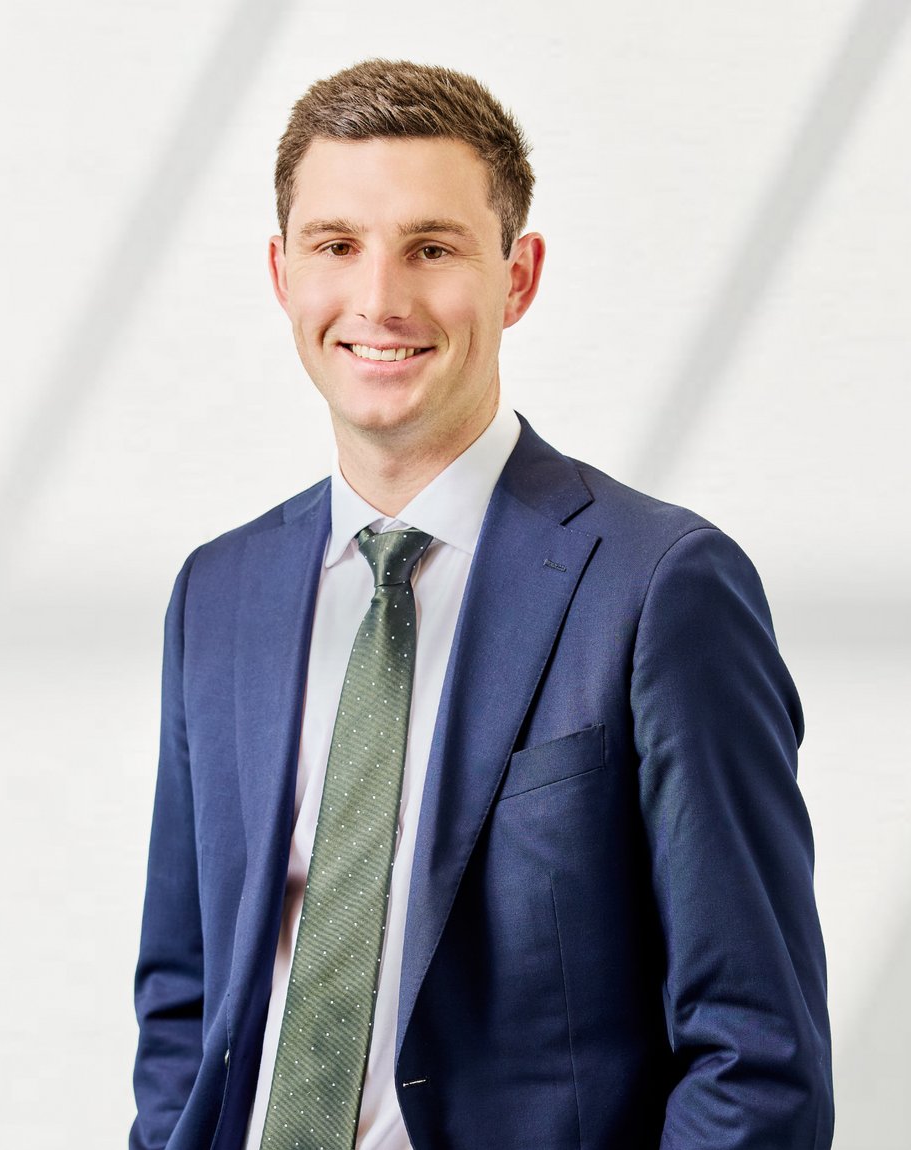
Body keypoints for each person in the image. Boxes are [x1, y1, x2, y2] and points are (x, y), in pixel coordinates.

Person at [130, 60, 832, 1150]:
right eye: (336, 246)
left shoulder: (660, 586)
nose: (379, 301)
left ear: (517, 276)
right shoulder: (217, 594)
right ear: (281, 274)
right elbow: (185, 1003)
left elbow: (756, 1056)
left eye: (432, 247)